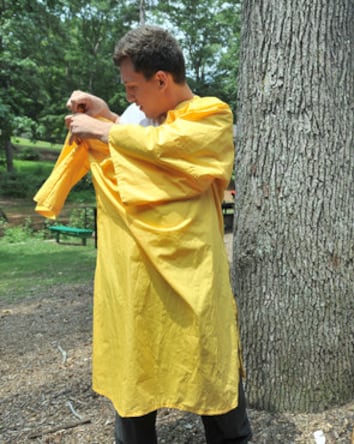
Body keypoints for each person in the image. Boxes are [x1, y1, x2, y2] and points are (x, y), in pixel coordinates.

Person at [34, 26, 251, 443]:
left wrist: (105, 131)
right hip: (134, 281)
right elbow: (143, 144)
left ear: (162, 80)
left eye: (133, 87)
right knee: (135, 373)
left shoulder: (211, 115)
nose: (129, 97)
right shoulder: (134, 120)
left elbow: (170, 147)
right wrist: (107, 116)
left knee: (209, 365)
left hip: (190, 277)